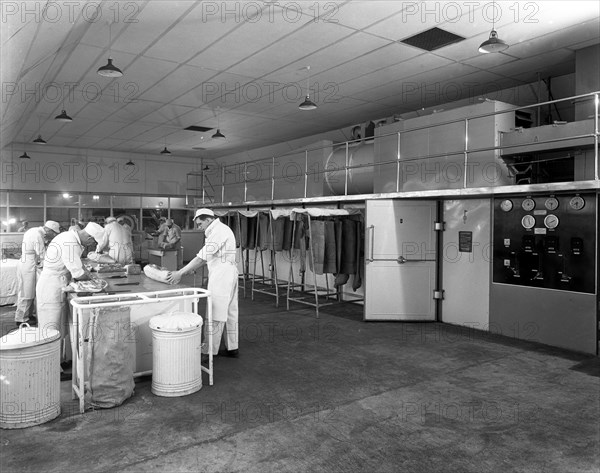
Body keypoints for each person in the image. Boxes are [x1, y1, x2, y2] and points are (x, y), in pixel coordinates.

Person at [166, 208, 239, 358]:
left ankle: (209, 351)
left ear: (208, 219)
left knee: (215, 312)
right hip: (229, 272)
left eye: (200, 224)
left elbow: (201, 258)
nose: (199, 227)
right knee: (230, 311)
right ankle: (233, 347)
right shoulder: (221, 230)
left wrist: (180, 273)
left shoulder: (218, 232)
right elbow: (210, 257)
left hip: (222, 275)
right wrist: (192, 268)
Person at [36, 222, 105, 358]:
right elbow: (78, 273)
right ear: (90, 238)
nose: (88, 246)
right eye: (91, 243)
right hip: (51, 286)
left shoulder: (70, 238)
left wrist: (89, 277)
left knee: (60, 326)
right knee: (50, 327)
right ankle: (50, 366)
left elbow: (78, 266)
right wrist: (95, 284)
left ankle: (60, 362)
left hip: (58, 283)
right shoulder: (70, 242)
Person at [14, 220, 60, 326]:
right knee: (26, 291)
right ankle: (21, 318)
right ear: (48, 229)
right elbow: (41, 253)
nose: (53, 235)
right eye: (53, 233)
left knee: (29, 291)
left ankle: (28, 315)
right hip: (28, 264)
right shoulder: (37, 234)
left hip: (29, 261)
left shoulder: (34, 230)